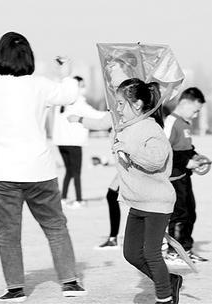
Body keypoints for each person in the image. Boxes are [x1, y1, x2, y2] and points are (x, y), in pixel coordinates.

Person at [0, 32, 87, 302]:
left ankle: (15, 288)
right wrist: (66, 73)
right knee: (55, 227)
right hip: (39, 171)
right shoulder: (39, 85)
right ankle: (70, 282)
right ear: (29, 57)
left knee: (8, 234)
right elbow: (69, 94)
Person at [73, 78, 181, 304]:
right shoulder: (124, 126)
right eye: (117, 103)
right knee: (131, 253)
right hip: (136, 201)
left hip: (157, 201)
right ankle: (169, 281)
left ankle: (165, 298)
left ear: (138, 104)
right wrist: (82, 120)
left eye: (121, 103)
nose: (118, 108)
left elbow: (155, 160)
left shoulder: (151, 128)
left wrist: (128, 149)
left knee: (151, 254)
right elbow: (105, 124)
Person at [163, 87, 211, 264]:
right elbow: (163, 151)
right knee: (179, 215)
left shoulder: (185, 124)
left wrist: (195, 157)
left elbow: (186, 149)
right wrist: (185, 162)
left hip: (184, 177)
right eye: (195, 111)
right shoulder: (171, 122)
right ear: (184, 103)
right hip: (173, 178)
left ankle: (186, 249)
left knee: (190, 212)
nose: (196, 115)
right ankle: (173, 252)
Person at [52, 75, 106, 209]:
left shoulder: (60, 103)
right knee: (76, 172)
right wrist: (112, 114)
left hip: (61, 142)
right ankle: (78, 200)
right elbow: (97, 115)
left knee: (69, 171)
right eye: (81, 85)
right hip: (74, 142)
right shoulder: (79, 102)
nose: (83, 88)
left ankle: (63, 198)